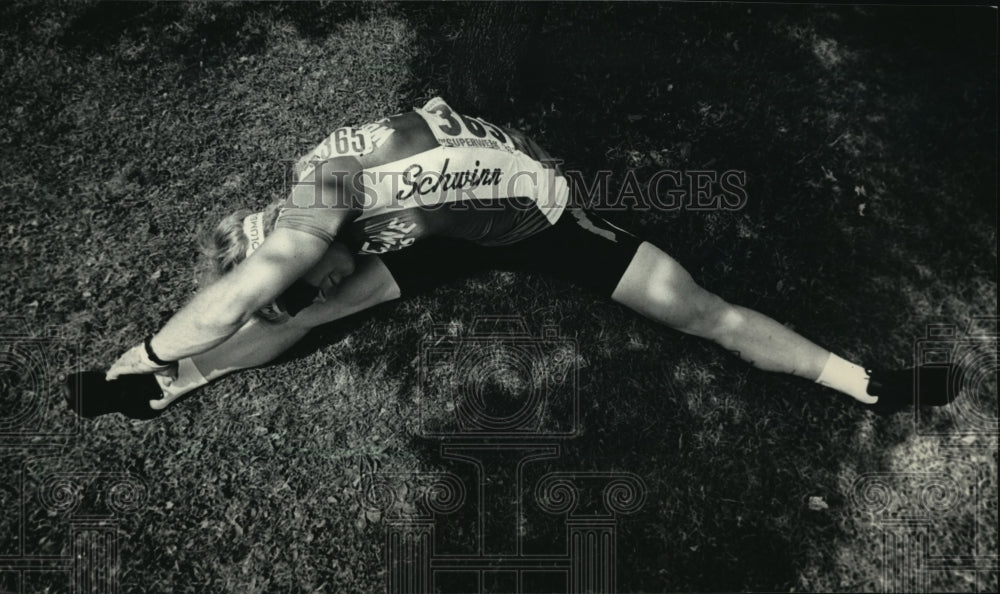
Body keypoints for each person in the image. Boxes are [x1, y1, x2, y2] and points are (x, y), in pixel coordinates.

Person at [65, 97, 960, 420]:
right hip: (444, 222)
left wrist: (141, 348)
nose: (294, 294)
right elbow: (257, 290)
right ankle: (173, 388)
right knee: (328, 311)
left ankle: (863, 382)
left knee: (700, 311)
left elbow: (253, 289)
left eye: (296, 281)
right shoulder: (320, 198)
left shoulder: (318, 209)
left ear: (307, 240)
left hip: (542, 219)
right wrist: (161, 367)